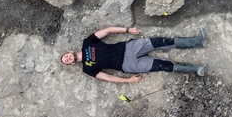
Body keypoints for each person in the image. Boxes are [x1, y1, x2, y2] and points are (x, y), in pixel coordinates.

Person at [60, 26, 207, 83]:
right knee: (163, 65)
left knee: (162, 41)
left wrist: (127, 29)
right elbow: (108, 77)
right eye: (66, 61)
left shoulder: (87, 43)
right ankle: (198, 69)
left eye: (65, 56)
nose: (67, 58)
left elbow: (108, 30)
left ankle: (198, 41)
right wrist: (129, 80)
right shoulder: (87, 69)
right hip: (128, 65)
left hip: (129, 48)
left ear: (69, 52)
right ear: (72, 63)